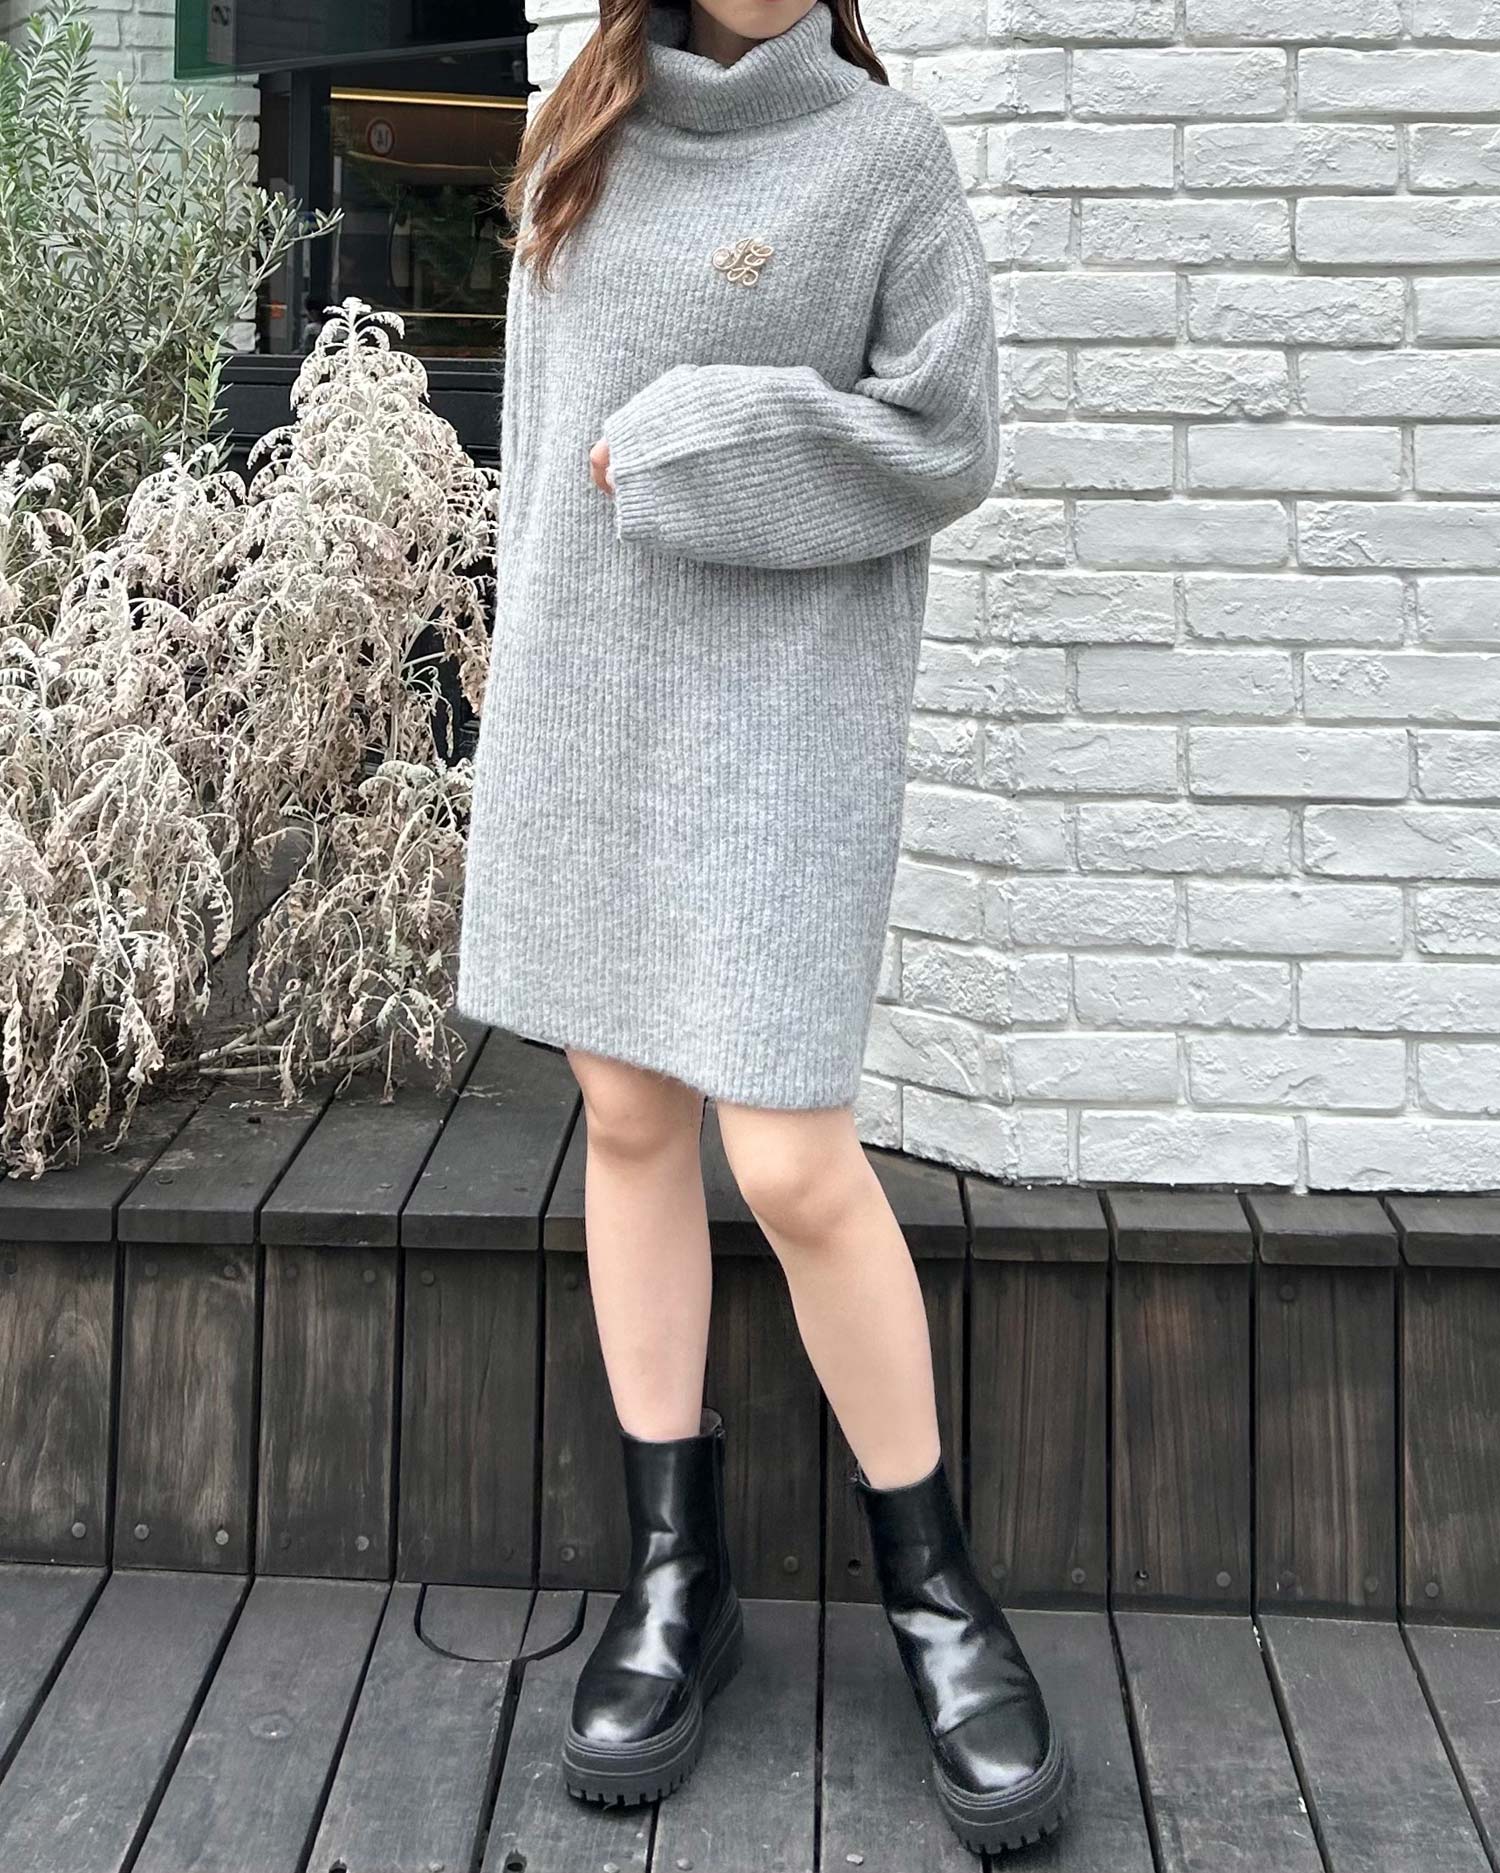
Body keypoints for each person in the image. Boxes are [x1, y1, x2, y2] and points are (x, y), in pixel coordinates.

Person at [454, 0, 1074, 1854]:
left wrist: (710, 435)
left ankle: (937, 1593)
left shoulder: (884, 159)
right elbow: (539, 463)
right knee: (630, 1118)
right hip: (595, 701)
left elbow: (947, 439)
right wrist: (517, 701)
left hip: (790, 724)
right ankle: (676, 1577)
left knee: (795, 1160)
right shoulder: (582, 128)